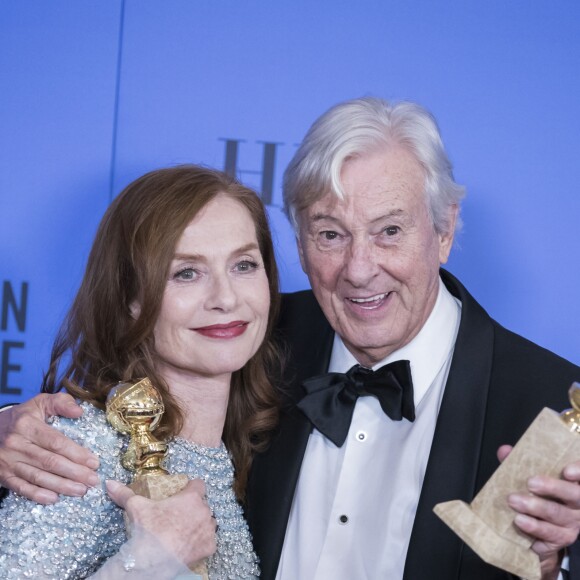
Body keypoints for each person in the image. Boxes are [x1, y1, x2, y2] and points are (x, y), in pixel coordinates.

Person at [1, 98, 580, 580]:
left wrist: (554, 565)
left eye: (390, 231)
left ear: (445, 229)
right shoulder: (249, 343)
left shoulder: (550, 404)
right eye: (330, 234)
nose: (359, 269)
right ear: (298, 244)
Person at [0, 164, 282, 579]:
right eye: (186, 273)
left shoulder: (240, 453)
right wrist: (154, 560)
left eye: (244, 265)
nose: (226, 297)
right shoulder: (82, 452)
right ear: (128, 298)